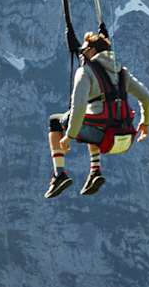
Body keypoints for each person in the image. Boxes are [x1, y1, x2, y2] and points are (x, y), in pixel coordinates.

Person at [46, 28, 134, 198]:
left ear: (92, 51)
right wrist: (145, 123)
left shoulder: (86, 72)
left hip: (105, 135)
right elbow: (146, 97)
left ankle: (59, 174)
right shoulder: (122, 72)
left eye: (84, 50)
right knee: (91, 119)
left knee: (56, 121)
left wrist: (69, 137)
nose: (81, 54)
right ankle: (95, 170)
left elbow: (77, 108)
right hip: (124, 138)